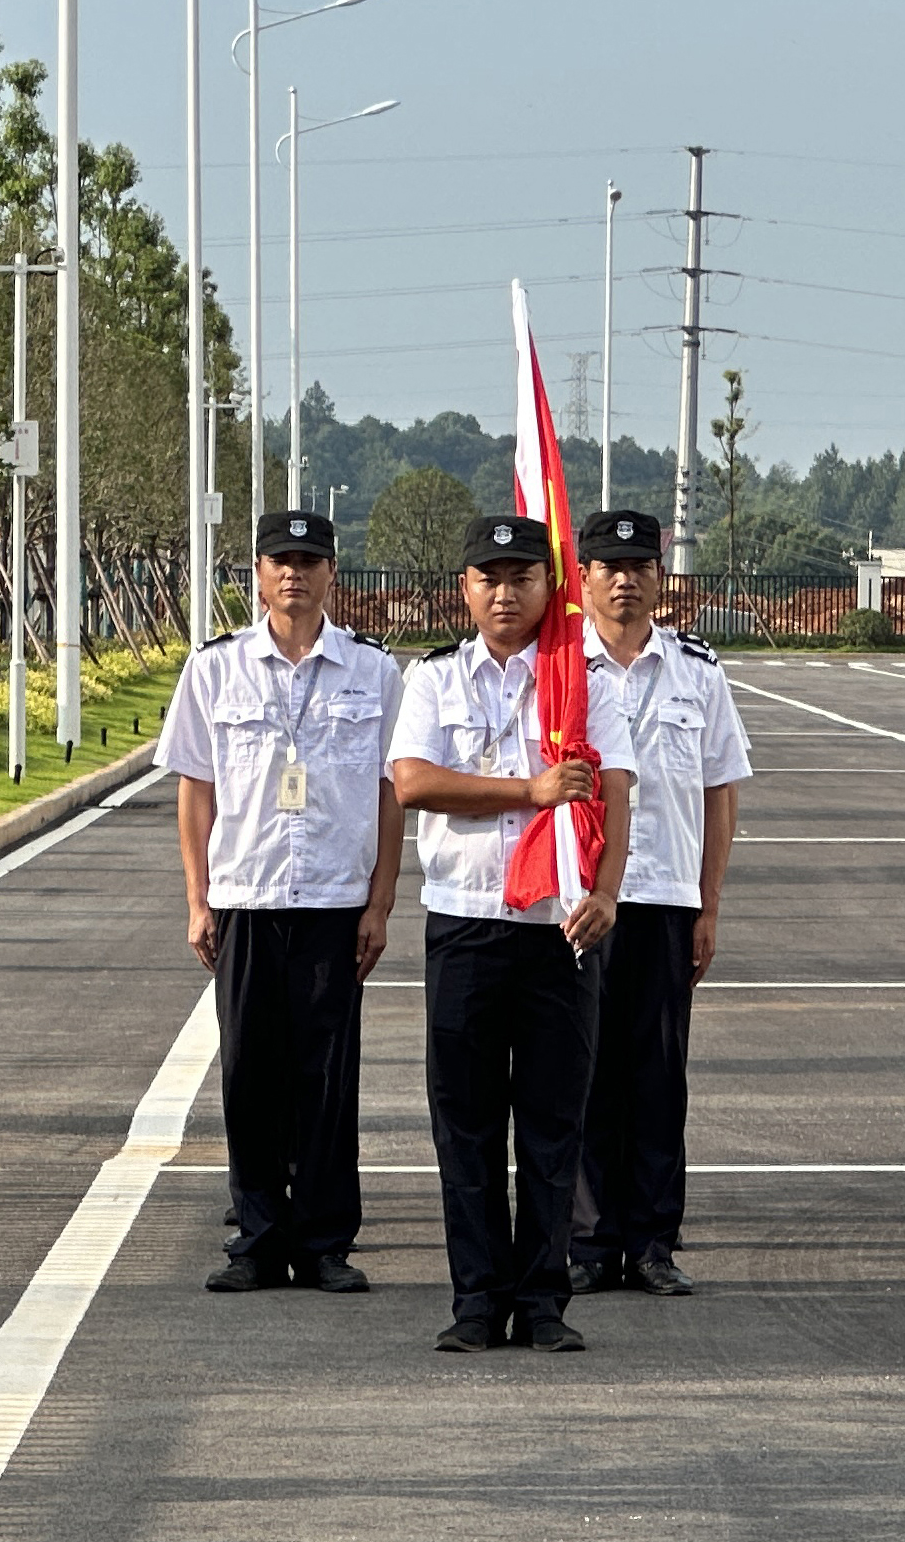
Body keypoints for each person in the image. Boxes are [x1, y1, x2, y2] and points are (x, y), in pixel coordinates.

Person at [389, 514, 635, 1354]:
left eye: (522, 577)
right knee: (464, 1122)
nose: (504, 593)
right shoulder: (434, 678)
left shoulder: (581, 682)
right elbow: (412, 781)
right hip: (466, 923)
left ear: (548, 586)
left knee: (550, 1122)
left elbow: (615, 791)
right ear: (464, 587)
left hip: (556, 927)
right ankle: (474, 1298)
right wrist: (527, 791)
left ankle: (541, 1299)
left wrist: (607, 892)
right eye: (488, 577)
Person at [158, 510, 404, 1297]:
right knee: (248, 1073)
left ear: (332, 571)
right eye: (279, 560)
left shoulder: (372, 670)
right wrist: (198, 899)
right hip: (247, 896)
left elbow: (391, 791)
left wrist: (380, 902)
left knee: (326, 1077)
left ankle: (325, 1241)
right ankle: (258, 1237)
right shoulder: (215, 667)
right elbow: (196, 789)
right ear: (257, 572)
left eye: (308, 560)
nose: (293, 573)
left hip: (334, 898)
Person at [568, 509, 751, 1298]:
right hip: (579, 903)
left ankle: (650, 1241)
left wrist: (708, 906)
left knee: (656, 1077)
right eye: (609, 566)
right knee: (579, 1073)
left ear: (659, 576)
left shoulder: (696, 671)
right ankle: (586, 1240)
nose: (625, 579)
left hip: (666, 898)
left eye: (640, 565)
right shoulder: (558, 671)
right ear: (583, 577)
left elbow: (720, 791)